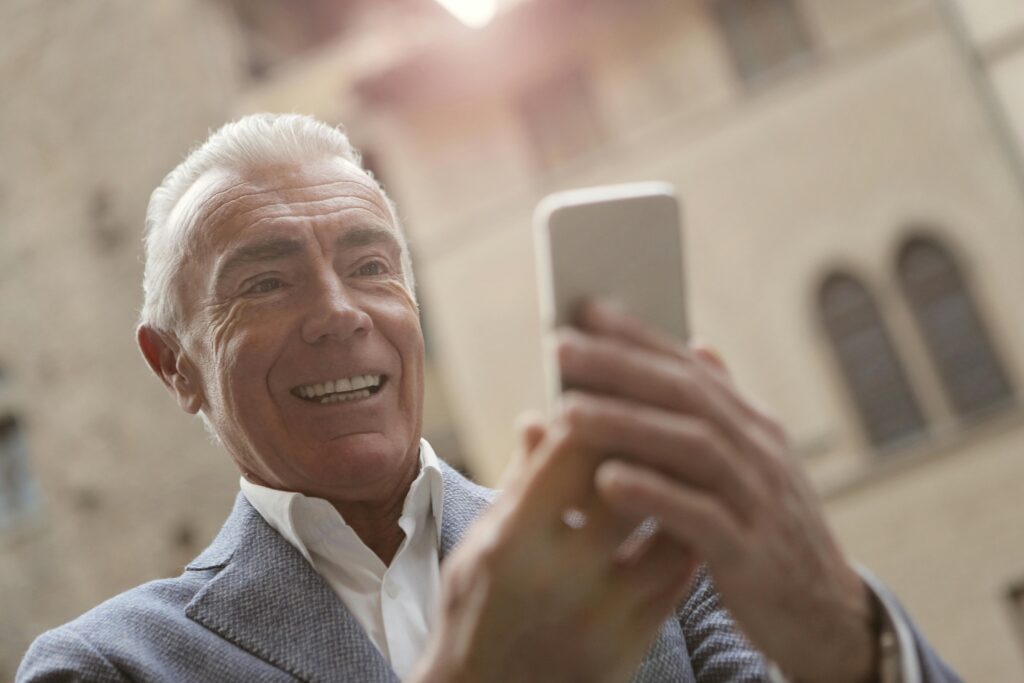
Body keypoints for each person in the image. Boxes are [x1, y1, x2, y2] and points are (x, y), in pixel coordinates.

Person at [17, 114, 961, 683]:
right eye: (265, 282)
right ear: (173, 364)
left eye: (371, 265)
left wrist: (850, 634)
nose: (340, 312)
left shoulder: (648, 561)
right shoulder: (109, 666)